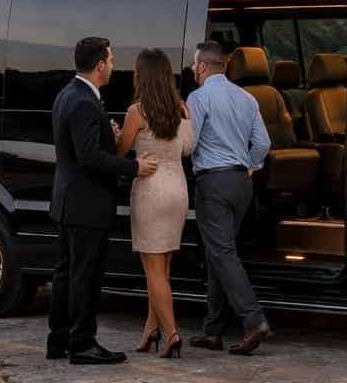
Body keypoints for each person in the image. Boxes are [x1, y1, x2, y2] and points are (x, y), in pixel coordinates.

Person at [46, 36, 158, 365]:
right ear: (99, 65)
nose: (112, 65)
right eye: (110, 60)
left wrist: (107, 133)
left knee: (66, 274)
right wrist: (135, 167)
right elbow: (89, 158)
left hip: (68, 201)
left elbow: (81, 144)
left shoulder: (70, 93)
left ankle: (59, 340)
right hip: (86, 204)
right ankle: (82, 343)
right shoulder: (84, 101)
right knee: (84, 276)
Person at [185, 41, 272, 355]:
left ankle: (253, 320)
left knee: (222, 254)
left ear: (204, 67)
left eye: (195, 65)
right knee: (218, 254)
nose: (193, 70)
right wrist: (249, 166)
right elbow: (263, 143)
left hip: (214, 183)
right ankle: (213, 330)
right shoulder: (247, 98)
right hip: (241, 183)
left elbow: (189, 142)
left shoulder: (199, 97)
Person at [114, 48, 194, 359]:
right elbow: (188, 148)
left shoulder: (137, 111)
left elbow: (120, 153)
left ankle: (172, 332)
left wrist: (117, 135)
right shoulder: (182, 109)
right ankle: (151, 329)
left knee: (153, 269)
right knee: (163, 267)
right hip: (177, 188)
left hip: (150, 188)